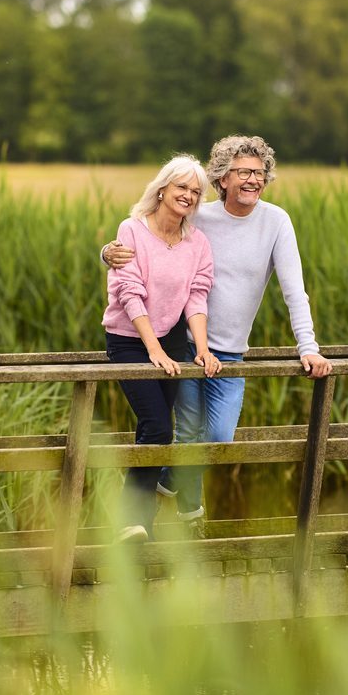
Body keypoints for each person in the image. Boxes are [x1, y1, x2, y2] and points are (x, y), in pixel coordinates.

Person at [102, 134, 331, 536]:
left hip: (232, 354)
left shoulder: (276, 221)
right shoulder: (198, 216)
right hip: (185, 345)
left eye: (260, 174)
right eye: (243, 172)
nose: (253, 180)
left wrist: (308, 348)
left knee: (218, 438)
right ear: (222, 178)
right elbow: (144, 237)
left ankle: (166, 482)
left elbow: (294, 289)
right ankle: (189, 525)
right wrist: (106, 252)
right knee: (186, 432)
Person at [103, 155, 221, 542]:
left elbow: (197, 298)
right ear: (163, 188)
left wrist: (201, 349)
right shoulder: (132, 230)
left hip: (170, 338)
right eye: (181, 187)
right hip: (129, 339)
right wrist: (152, 349)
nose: (187, 195)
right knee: (156, 424)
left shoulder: (197, 242)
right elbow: (129, 293)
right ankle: (130, 520)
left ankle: (139, 525)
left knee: (158, 430)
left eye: (195, 191)